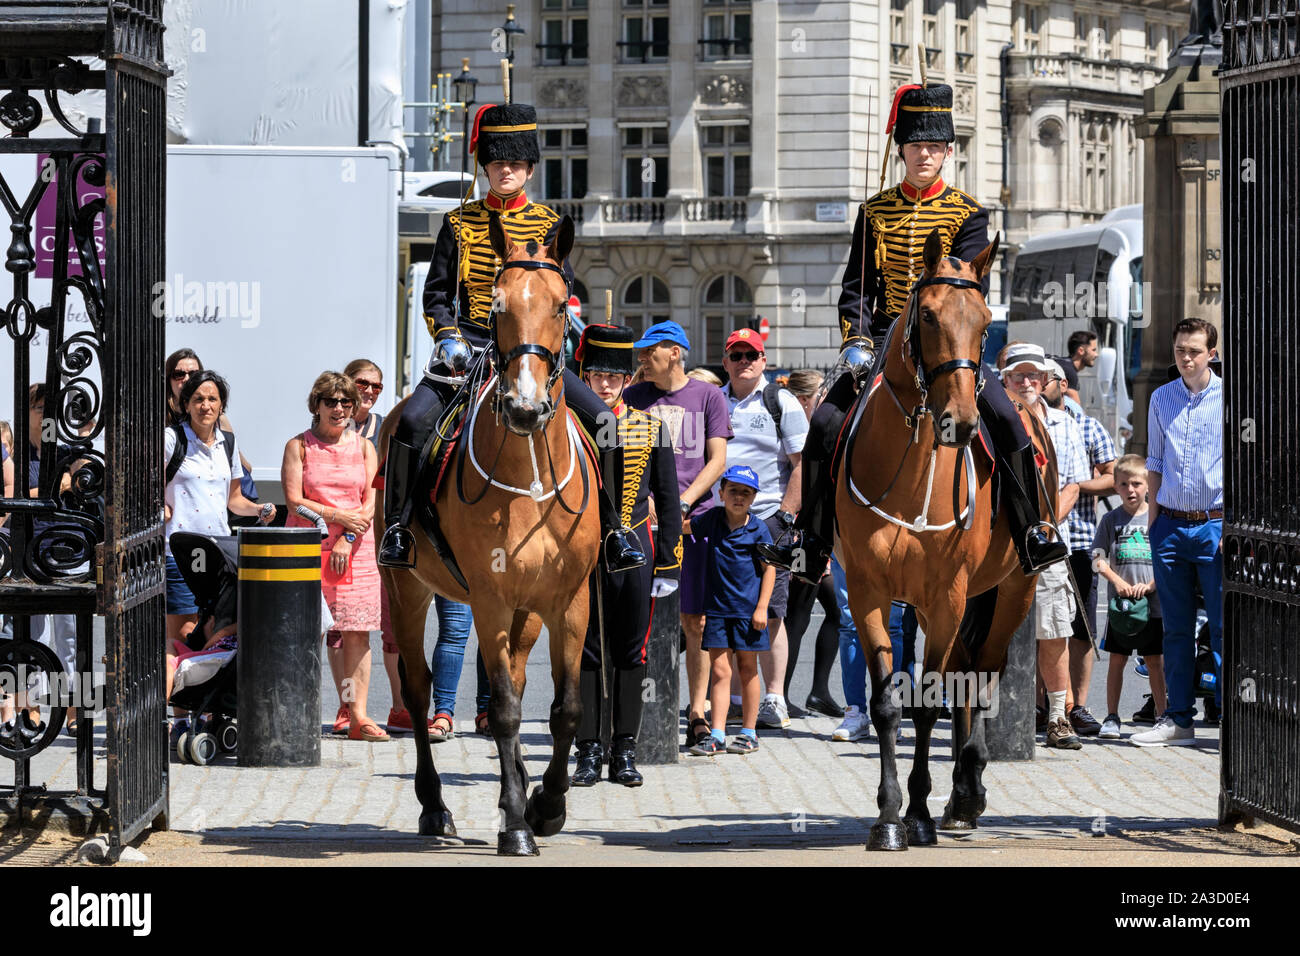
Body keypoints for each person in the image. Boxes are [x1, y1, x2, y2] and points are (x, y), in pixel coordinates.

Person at [761, 81, 1067, 582]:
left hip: (949, 343)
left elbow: (967, 292)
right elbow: (857, 289)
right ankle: (810, 539)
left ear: (948, 151)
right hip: (885, 343)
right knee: (824, 424)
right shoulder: (874, 212)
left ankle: (1034, 530)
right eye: (914, 146)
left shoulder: (969, 213)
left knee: (1009, 421)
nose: (923, 155)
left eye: (933, 147)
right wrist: (857, 343)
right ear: (901, 149)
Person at [379, 102, 643, 575]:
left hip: (536, 354)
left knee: (605, 422)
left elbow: (561, 292)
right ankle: (398, 528)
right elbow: (436, 294)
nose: (507, 171)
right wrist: (448, 337)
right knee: (413, 423)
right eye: (499, 162)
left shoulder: (548, 225)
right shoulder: (458, 225)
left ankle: (614, 531)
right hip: (472, 348)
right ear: (484, 165)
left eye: (516, 163)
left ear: (529, 168)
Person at [569, 325, 682, 787]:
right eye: (596, 375)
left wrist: (669, 563)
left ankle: (624, 750)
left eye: (614, 377)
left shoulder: (650, 426)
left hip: (635, 548)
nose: (605, 384)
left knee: (632, 653)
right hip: (582, 552)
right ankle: (588, 751)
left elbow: (669, 499)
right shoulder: (571, 427)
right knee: (587, 653)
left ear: (626, 378)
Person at [624, 321, 732, 749]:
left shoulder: (707, 396)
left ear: (674, 353)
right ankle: (637, 714)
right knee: (639, 622)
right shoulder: (633, 396)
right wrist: (647, 501)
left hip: (695, 520)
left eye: (648, 352)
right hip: (641, 520)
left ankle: (697, 712)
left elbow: (717, 459)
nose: (640, 360)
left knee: (695, 621)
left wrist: (681, 502)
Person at [164, 371, 271, 742]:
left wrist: (258, 511)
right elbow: (149, 489)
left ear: (221, 404)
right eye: (198, 399)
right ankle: (180, 715)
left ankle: (209, 710)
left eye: (212, 399)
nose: (205, 406)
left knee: (217, 635)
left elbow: (234, 500)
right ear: (185, 404)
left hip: (220, 554)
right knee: (185, 636)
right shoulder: (171, 440)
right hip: (179, 552)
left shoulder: (228, 443)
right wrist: (159, 508)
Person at [282, 372, 388, 743]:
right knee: (308, 632)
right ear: (317, 405)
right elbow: (295, 501)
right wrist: (339, 518)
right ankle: (299, 712)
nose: (340, 409)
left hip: (356, 550)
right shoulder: (299, 446)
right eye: (331, 402)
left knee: (357, 634)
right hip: (308, 549)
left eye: (346, 402)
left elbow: (370, 503)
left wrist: (346, 534)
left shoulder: (364, 448)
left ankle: (357, 715)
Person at [1131, 318, 1222, 748]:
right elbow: (1155, 460)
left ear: (1212, 354)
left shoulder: (1228, 399)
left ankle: (1232, 724)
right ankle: (1178, 720)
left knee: (1223, 629)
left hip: (1215, 525)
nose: (1186, 358)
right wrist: (1152, 521)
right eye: (1180, 350)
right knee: (1177, 630)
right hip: (1169, 524)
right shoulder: (1161, 398)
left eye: (1194, 351)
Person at [717, 328, 807, 730]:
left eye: (751, 354)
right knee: (729, 609)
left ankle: (774, 697)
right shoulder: (714, 400)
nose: (744, 362)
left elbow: (802, 463)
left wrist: (786, 517)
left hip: (768, 516)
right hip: (724, 519)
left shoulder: (781, 401)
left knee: (771, 611)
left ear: (764, 360)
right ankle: (737, 698)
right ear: (726, 361)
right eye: (736, 355)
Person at [999, 343, 1087, 750]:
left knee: (1053, 629)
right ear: (1004, 379)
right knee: (992, 629)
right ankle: (988, 715)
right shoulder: (991, 419)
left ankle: (1057, 718)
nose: (1026, 381)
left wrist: (1046, 526)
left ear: (1047, 380)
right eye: (1018, 375)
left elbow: (1073, 483)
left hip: (1046, 542)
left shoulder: (1065, 424)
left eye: (1034, 375)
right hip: (997, 544)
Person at [686, 465, 775, 757]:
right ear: (721, 493)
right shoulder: (712, 519)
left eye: (746, 493)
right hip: (718, 612)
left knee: (748, 670)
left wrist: (762, 607)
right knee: (721, 671)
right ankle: (718, 734)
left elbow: (770, 569)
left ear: (753, 499)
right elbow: (686, 528)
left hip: (749, 614)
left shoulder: (758, 529)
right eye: (733, 491)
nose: (739, 497)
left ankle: (749, 733)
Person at [1049, 357, 1116, 737]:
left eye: (1048, 378)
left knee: (1082, 629)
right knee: (1045, 626)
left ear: (1062, 384)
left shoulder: (1088, 427)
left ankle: (1079, 705)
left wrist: (1076, 484)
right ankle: (1049, 705)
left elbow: (1113, 477)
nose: (1041, 383)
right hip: (1042, 541)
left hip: (1080, 539)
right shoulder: (1032, 424)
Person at [778, 370, 842, 719]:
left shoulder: (814, 428)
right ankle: (781, 694)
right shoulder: (799, 428)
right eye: (823, 395)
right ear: (806, 399)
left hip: (818, 538)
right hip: (804, 535)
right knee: (798, 616)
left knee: (833, 613)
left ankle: (818, 691)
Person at [1093, 455, 1166, 740]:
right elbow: (1098, 558)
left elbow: (1166, 559)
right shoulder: (1111, 520)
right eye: (1124, 484)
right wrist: (1117, 581)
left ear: (1148, 485)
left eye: (1136, 483)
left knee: (1154, 661)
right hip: (1121, 608)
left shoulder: (1157, 517)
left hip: (1152, 606)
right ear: (1115, 486)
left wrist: (1151, 584)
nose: (1131, 489)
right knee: (1117, 660)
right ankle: (1111, 717)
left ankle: (1162, 714)